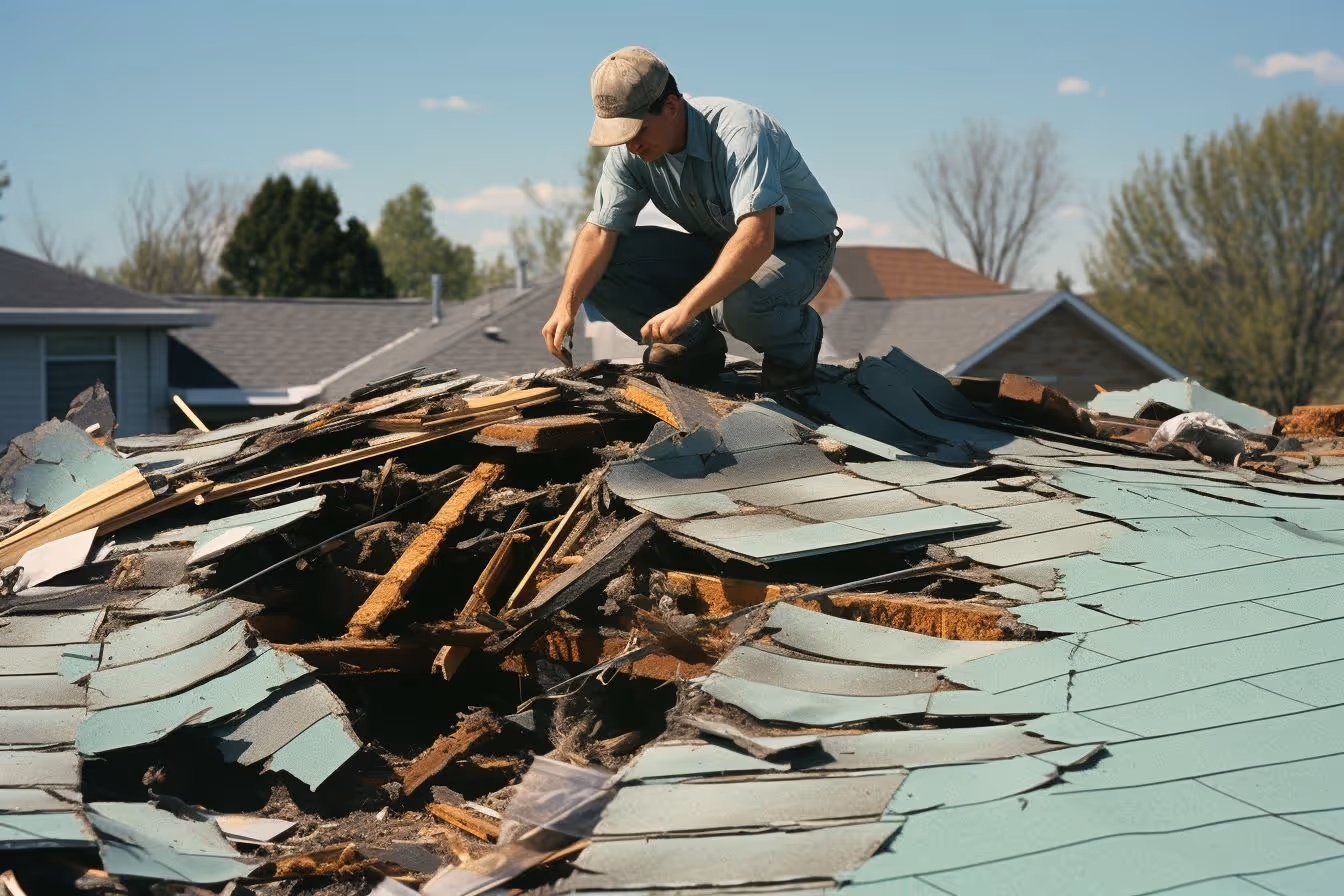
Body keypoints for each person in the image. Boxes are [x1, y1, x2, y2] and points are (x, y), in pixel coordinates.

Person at [541, 46, 840, 390]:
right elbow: (598, 233)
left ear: (670, 107)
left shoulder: (740, 131)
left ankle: (796, 341)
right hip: (719, 246)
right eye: (620, 136)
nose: (630, 145)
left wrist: (685, 307)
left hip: (794, 249)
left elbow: (757, 238)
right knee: (601, 266)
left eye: (635, 131)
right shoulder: (630, 152)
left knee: (737, 305)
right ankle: (694, 346)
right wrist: (567, 306)